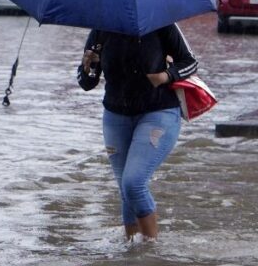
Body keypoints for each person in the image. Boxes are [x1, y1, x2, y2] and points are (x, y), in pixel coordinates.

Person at [77, 24, 198, 242]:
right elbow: (87, 83)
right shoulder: (101, 28)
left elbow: (190, 62)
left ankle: (151, 249)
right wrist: (88, 67)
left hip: (159, 112)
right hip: (116, 116)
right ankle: (133, 252)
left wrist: (166, 76)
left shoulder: (161, 23)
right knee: (125, 188)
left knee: (133, 183)